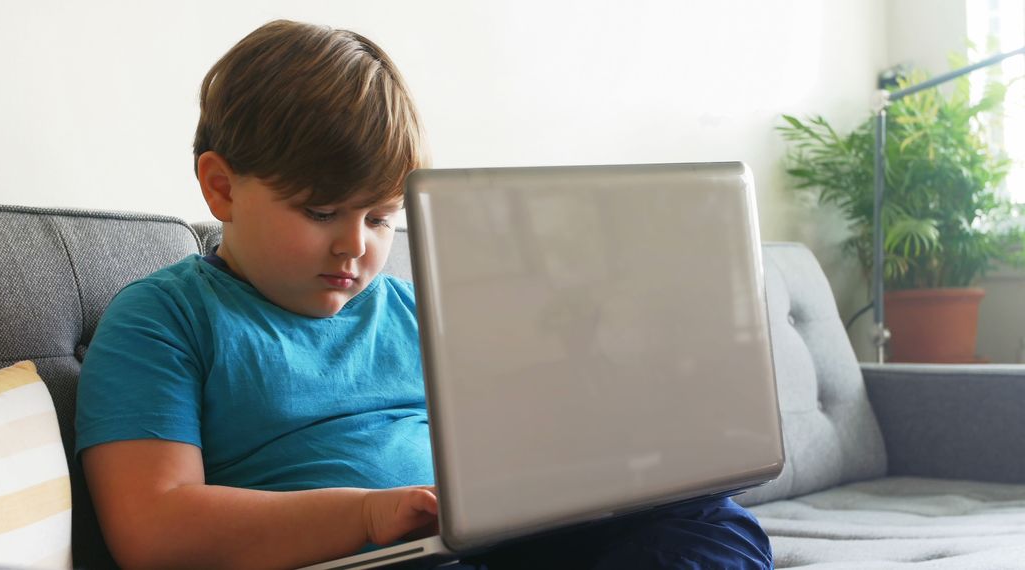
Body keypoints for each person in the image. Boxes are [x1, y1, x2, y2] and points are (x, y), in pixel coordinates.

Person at [76, 19, 772, 569]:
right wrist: (368, 515)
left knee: (709, 520)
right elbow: (155, 528)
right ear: (221, 187)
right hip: (352, 558)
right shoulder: (164, 319)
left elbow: (508, 452)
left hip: (476, 545)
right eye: (321, 212)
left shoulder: (412, 310)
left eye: (381, 218)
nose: (356, 246)